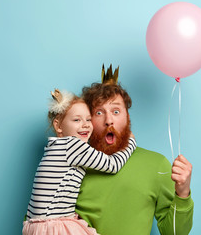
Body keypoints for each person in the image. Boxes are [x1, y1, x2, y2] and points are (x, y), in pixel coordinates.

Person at [75, 65, 194, 235]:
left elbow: (174, 233)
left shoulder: (156, 165)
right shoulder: (72, 162)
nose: (109, 120)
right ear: (88, 120)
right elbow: (41, 219)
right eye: (99, 113)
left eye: (116, 111)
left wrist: (182, 194)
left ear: (127, 117)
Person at [23, 89, 137, 235]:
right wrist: (130, 142)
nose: (85, 125)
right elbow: (112, 165)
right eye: (77, 120)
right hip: (53, 225)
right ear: (58, 126)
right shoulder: (72, 145)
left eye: (88, 120)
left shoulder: (54, 147)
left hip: (35, 225)